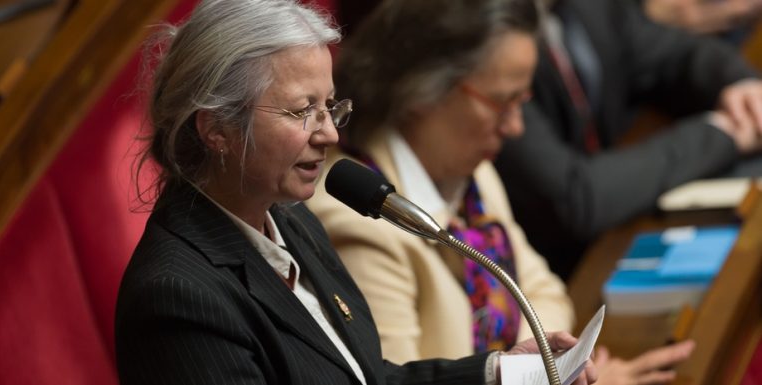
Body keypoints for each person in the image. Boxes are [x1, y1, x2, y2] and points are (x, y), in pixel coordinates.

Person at [114, 1, 596, 384]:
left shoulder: (288, 216)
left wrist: (501, 373)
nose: (327, 134)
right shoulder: (178, 298)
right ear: (217, 128)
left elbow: (367, 377)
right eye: (302, 111)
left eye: (330, 107)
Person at [306, 0, 695, 383]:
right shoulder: (357, 223)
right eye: (503, 102)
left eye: (521, 102)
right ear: (423, 89)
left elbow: (546, 290)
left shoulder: (469, 168)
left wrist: (538, 372)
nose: (515, 128)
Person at [494, 0, 762, 280]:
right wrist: (720, 133)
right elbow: (575, 197)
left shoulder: (587, 8)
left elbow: (675, 54)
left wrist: (741, 87)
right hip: (560, 269)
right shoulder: (492, 52)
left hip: (619, 224)